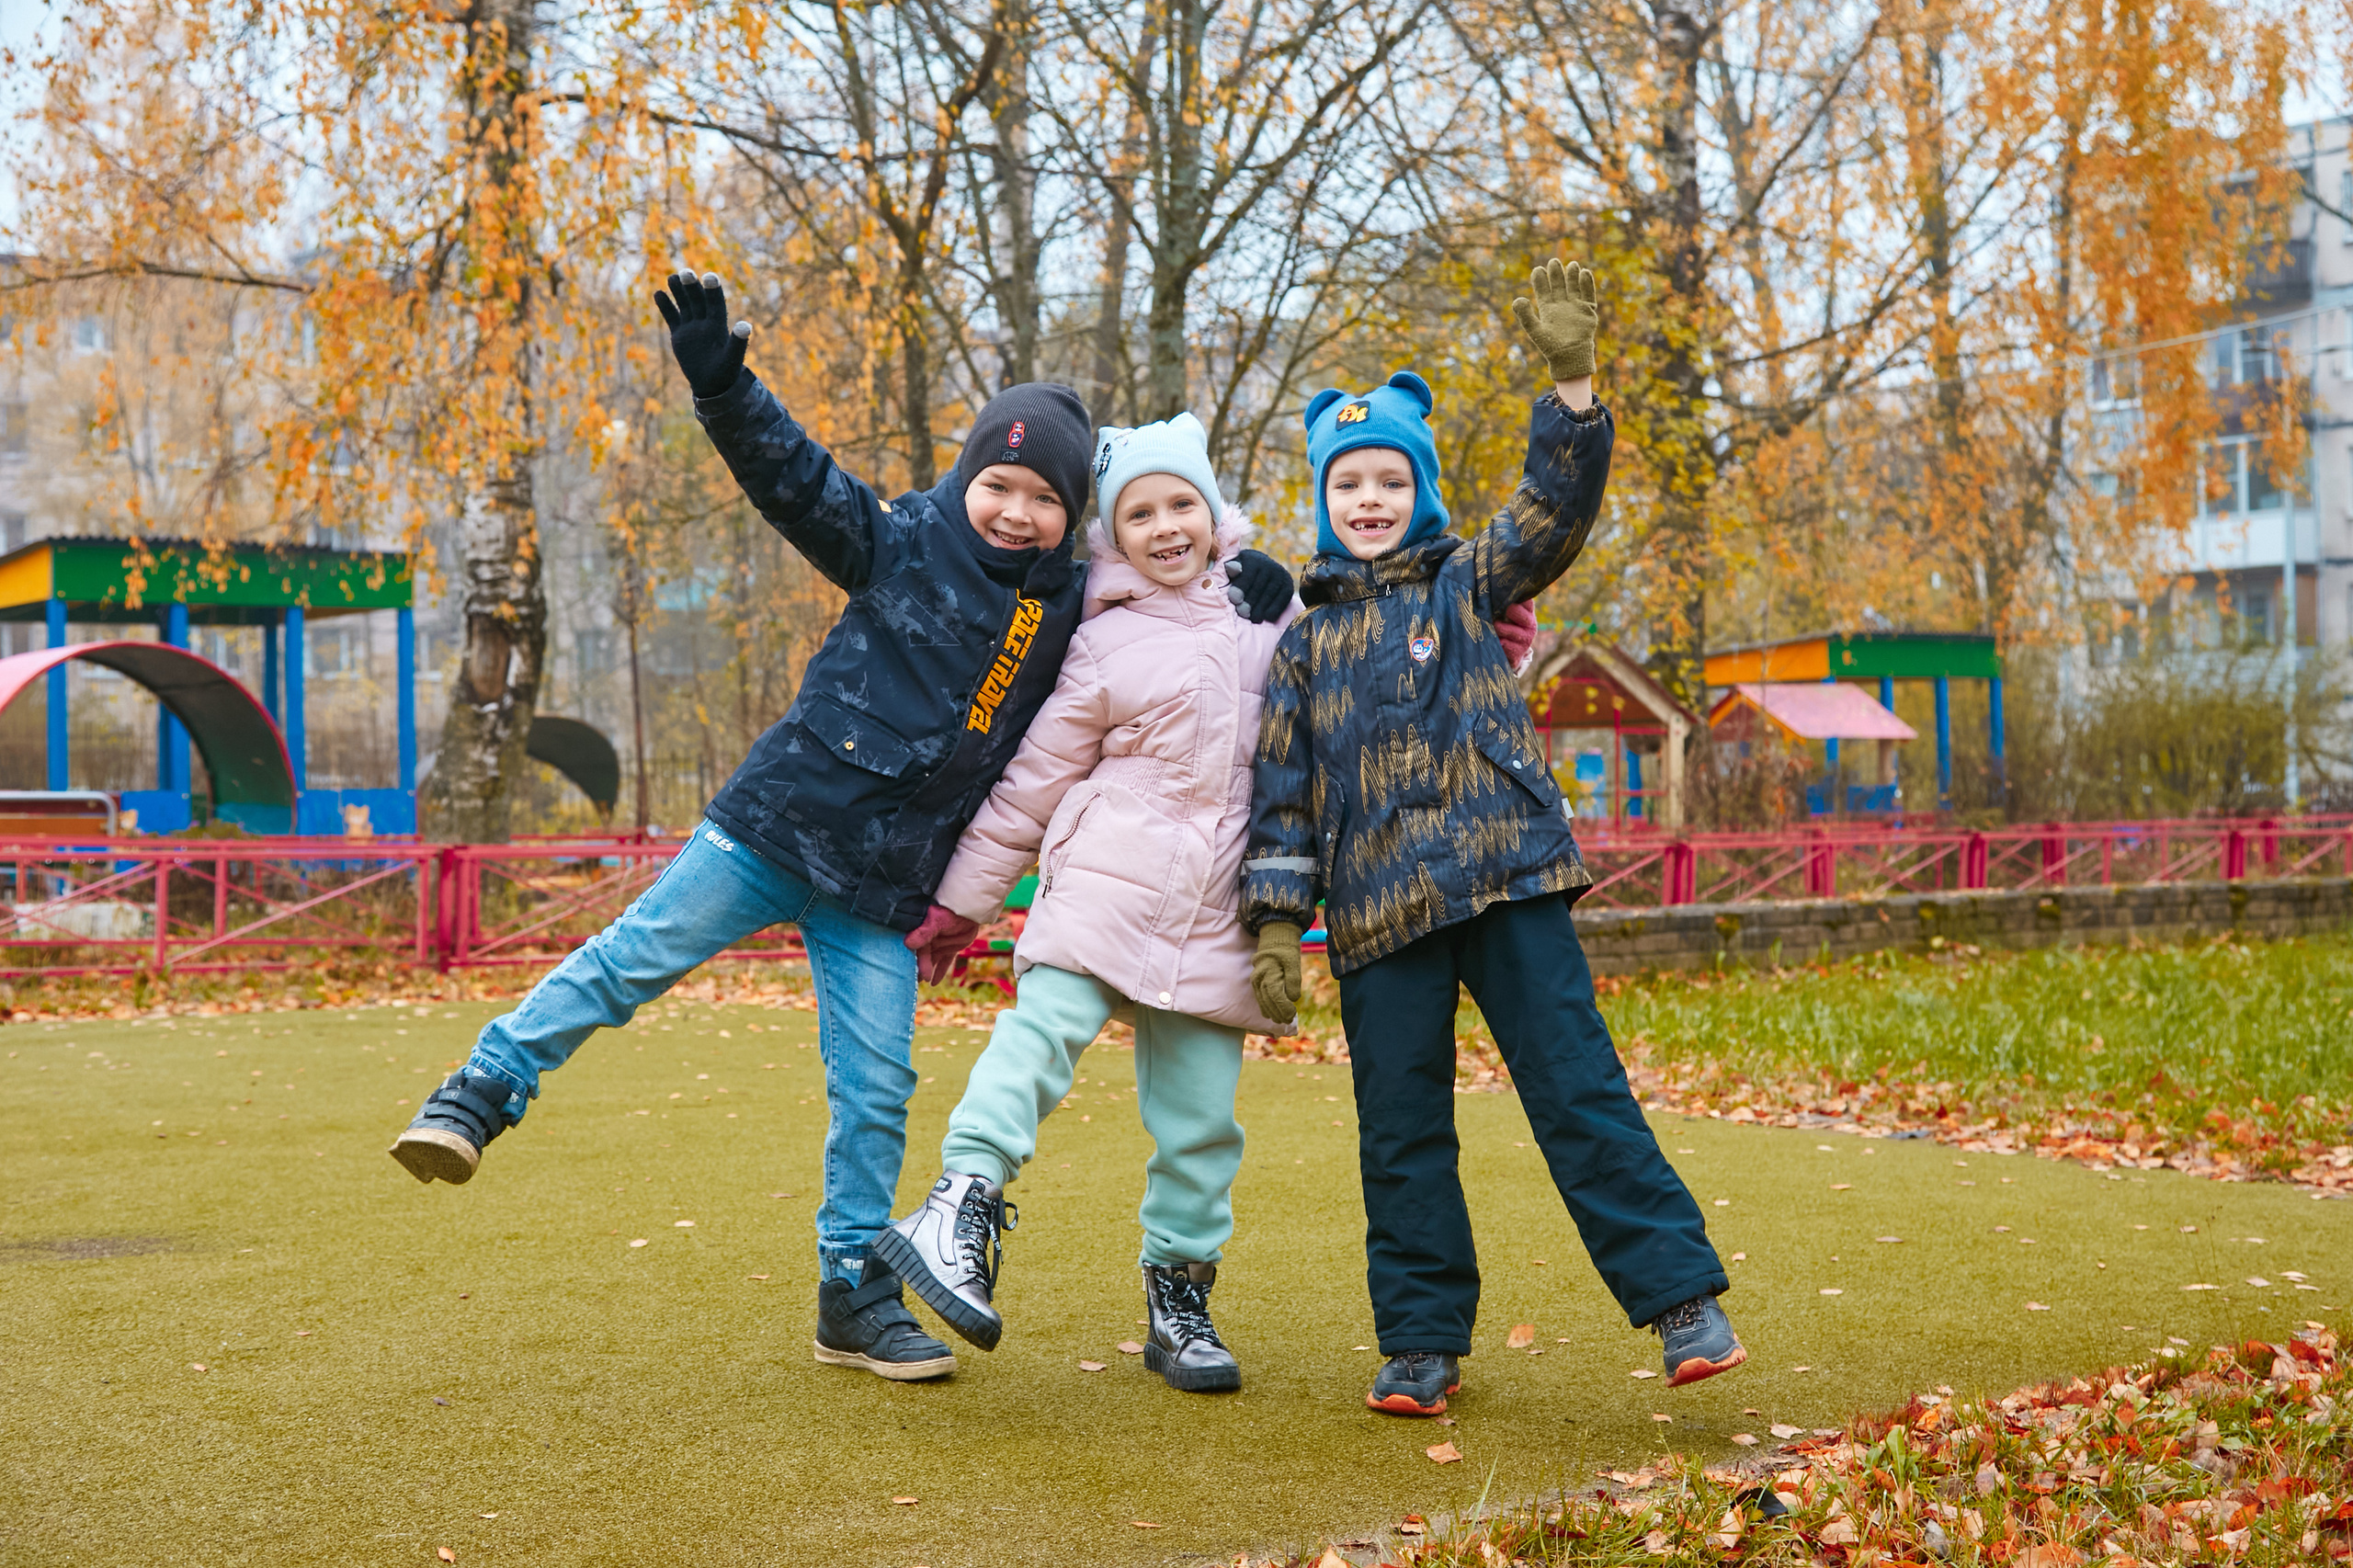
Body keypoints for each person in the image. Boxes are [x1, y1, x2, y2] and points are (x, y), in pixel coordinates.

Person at [384, 270, 1294, 1385]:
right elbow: (792, 478)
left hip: (884, 890)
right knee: (627, 961)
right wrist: (723, 382)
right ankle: (477, 1093)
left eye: (1043, 498)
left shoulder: (1068, 604)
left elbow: (1163, 580)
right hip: (775, 828)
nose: (1017, 511)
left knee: (875, 1090)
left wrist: (1252, 573)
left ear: (1069, 518)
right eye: (999, 484)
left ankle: (851, 1292)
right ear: (967, 476)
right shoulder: (896, 540)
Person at [1242, 258, 1745, 1418]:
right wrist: (1276, 921)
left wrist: (1571, 395)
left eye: (1387, 480)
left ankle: (1680, 1303)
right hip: (1375, 917)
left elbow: (1550, 512)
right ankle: (1420, 1340)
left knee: (1578, 1087)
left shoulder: (1470, 583)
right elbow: (1282, 796)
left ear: (1417, 489)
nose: (1367, 500)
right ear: (1323, 501)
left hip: (1506, 878)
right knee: (1400, 1127)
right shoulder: (1302, 651)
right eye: (1346, 484)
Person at [872, 414, 1295, 1393]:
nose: (1164, 526)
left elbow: (1374, 672)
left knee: (1199, 1123)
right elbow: (1029, 782)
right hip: (1106, 875)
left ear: (1212, 511)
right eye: (1138, 511)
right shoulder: (1101, 642)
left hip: (1220, 903)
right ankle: (958, 1202)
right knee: (1038, 1038)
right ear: (1113, 532)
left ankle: (1178, 1298)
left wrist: (1294, 595)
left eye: (1180, 503)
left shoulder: (1270, 618)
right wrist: (961, 905)